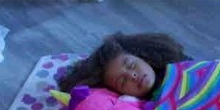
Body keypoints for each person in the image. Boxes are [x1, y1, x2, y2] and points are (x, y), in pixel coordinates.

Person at [57, 32, 191, 98]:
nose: (132, 75)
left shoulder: (184, 67)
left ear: (143, 56)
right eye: (122, 81)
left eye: (131, 65)